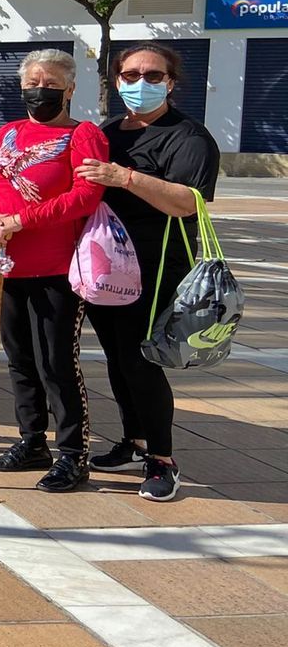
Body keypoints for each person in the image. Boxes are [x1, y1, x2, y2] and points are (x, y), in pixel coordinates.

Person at [77, 42, 220, 502]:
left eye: (153, 75)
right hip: (104, 266)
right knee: (118, 359)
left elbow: (188, 202)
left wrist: (127, 178)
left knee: (141, 362)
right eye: (131, 75)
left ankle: (162, 459)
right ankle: (133, 440)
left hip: (155, 266)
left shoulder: (188, 137)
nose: (141, 83)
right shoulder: (109, 130)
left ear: (172, 82)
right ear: (117, 81)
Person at [0, 49, 108, 493]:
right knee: (20, 359)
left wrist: (22, 221)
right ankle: (32, 440)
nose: (39, 91)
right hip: (5, 266)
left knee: (56, 361)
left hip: (56, 269)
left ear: (68, 90)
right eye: (32, 83)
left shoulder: (82, 135)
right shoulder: (8, 131)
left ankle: (73, 452)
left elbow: (86, 196)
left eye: (49, 84)